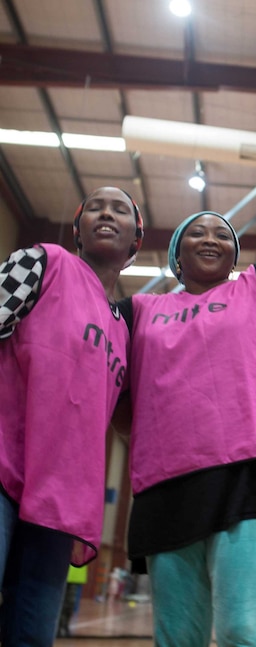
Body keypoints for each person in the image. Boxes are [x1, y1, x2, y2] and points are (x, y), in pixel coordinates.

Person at [119, 64, 256, 646]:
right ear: (177, 256)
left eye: (223, 234)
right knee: (176, 637)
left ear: (235, 256)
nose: (212, 237)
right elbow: (118, 400)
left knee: (243, 629)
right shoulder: (139, 312)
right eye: (197, 233)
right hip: (167, 483)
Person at [0, 186, 142, 646]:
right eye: (96, 207)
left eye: (120, 209)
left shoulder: (124, 330)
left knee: (32, 638)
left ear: (136, 241)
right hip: (3, 472)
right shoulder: (43, 261)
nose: (106, 213)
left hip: (57, 503)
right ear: (78, 229)